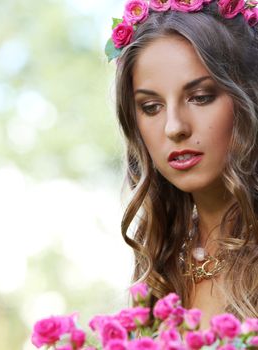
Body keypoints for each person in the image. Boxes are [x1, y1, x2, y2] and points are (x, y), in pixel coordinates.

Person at [106, 0, 258, 327]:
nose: (174, 127)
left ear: (250, 99)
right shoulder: (160, 272)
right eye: (150, 107)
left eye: (200, 97)